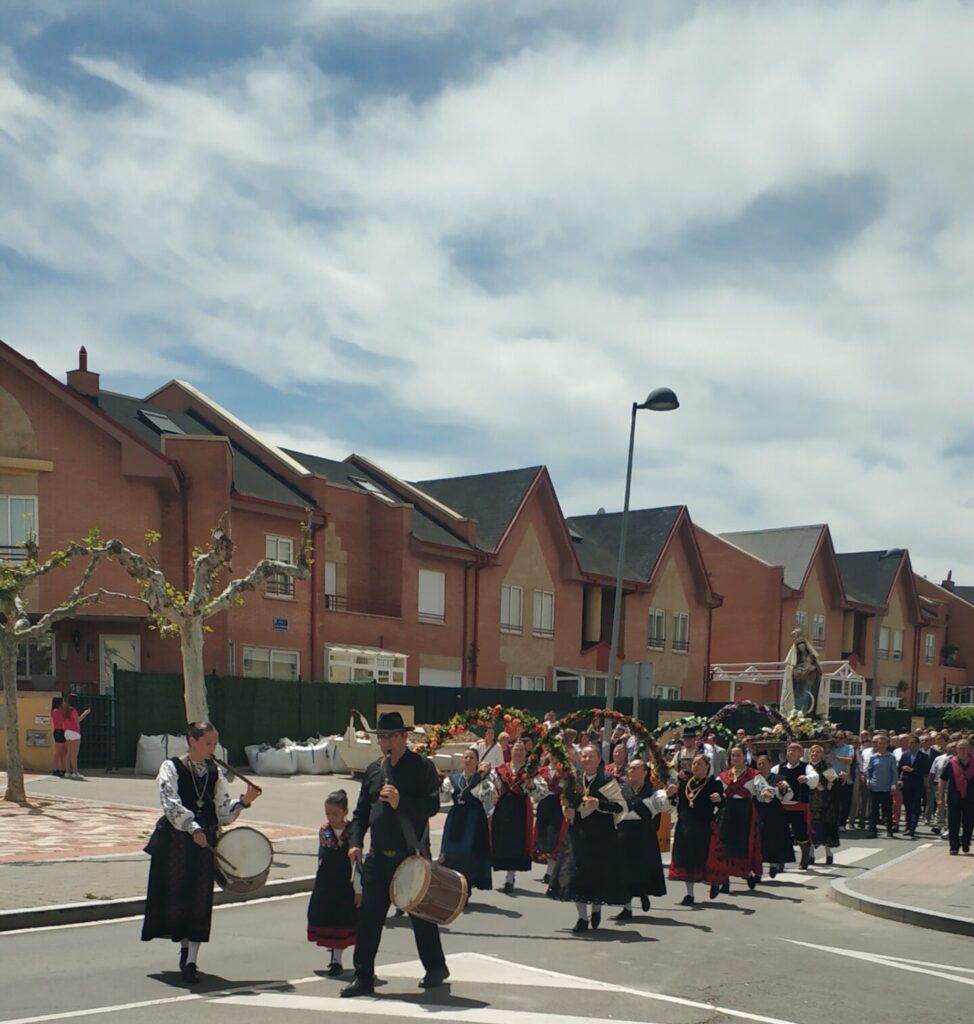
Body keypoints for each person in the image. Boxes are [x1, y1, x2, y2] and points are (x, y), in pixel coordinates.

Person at [141, 721, 261, 983]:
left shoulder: (215, 772)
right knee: (175, 895)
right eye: (208, 743)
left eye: (215, 743)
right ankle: (183, 948)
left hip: (204, 843)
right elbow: (169, 802)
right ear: (191, 741)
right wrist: (192, 827)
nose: (212, 748)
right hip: (176, 841)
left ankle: (191, 959)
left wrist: (243, 802)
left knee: (199, 899)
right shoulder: (170, 767)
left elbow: (221, 814)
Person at [344, 711, 448, 998]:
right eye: (381, 737)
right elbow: (361, 813)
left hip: (409, 854)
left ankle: (436, 967)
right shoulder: (374, 769)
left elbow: (431, 806)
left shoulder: (421, 767)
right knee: (369, 918)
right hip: (379, 856)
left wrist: (401, 802)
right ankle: (363, 976)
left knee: (419, 914)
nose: (384, 742)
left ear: (404, 737)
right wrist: (355, 842)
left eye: (390, 736)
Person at [547, 743, 628, 932]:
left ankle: (596, 908)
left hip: (601, 834)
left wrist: (599, 803)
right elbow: (566, 801)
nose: (586, 760)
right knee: (575, 874)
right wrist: (566, 810)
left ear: (599, 759)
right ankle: (582, 918)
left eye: (590, 756)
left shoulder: (607, 780)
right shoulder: (574, 779)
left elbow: (620, 806)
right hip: (578, 833)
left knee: (596, 874)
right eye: (583, 756)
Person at [308, 789, 361, 975]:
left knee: (342, 923)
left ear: (345, 812)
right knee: (327, 920)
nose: (331, 817)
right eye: (328, 813)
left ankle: (336, 960)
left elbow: (357, 863)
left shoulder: (353, 831)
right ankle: (333, 957)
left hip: (345, 884)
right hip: (326, 883)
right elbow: (322, 858)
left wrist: (358, 889)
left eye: (335, 814)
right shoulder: (324, 831)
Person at [667, 753, 727, 905]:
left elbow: (722, 803)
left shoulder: (713, 783)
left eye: (700, 764)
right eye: (694, 764)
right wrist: (671, 795)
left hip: (703, 825)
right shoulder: (685, 783)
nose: (696, 766)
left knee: (706, 858)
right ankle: (690, 895)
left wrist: (719, 799)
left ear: (707, 767)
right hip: (685, 825)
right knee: (687, 860)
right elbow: (676, 804)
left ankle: (714, 882)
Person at [614, 759, 669, 918]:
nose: (631, 771)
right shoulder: (622, 790)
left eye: (635, 768)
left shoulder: (653, 790)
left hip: (645, 833)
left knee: (642, 868)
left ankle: (643, 893)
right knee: (625, 870)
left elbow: (660, 810)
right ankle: (627, 908)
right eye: (630, 768)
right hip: (625, 833)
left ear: (645, 772)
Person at [439, 749, 494, 897]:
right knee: (451, 852)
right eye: (466, 757)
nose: (468, 760)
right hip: (456, 818)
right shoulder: (453, 779)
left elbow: (488, 799)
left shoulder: (482, 780)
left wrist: (484, 779)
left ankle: (466, 887)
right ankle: (452, 885)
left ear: (476, 761)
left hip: (474, 820)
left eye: (471, 758)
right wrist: (439, 783)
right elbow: (444, 799)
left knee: (469, 853)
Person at [718, 746, 773, 890]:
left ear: (744, 757)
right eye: (733, 755)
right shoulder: (724, 776)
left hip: (745, 813)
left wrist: (766, 792)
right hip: (727, 812)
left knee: (743, 845)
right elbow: (716, 790)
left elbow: (762, 787)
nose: (735, 758)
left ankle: (747, 873)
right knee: (724, 844)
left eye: (738, 755)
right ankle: (725, 879)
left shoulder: (753, 775)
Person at [489, 739, 535, 893]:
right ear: (511, 751)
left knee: (517, 841)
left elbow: (540, 791)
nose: (519, 753)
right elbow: (493, 787)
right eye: (516, 749)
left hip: (520, 808)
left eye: (522, 750)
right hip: (503, 807)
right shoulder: (502, 769)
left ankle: (510, 877)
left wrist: (531, 786)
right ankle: (503, 868)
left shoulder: (530, 771)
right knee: (503, 839)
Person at [771, 742, 819, 868]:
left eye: (794, 751)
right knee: (781, 833)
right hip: (782, 807)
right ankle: (780, 862)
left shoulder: (806, 767)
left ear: (800, 754)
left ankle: (805, 857)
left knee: (801, 833)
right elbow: (769, 779)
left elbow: (815, 778)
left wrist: (807, 778)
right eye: (789, 751)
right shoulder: (778, 768)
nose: (790, 753)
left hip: (798, 806)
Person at [754, 753, 795, 877]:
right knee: (759, 840)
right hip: (759, 812)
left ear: (770, 764)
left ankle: (773, 864)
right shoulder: (754, 778)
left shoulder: (779, 778)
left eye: (764, 763)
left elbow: (788, 795)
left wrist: (782, 789)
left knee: (774, 839)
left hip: (775, 813)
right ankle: (758, 869)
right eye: (759, 763)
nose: (761, 765)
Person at [533, 753, 568, 883]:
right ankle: (550, 869)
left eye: (556, 755)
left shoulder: (564, 771)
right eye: (552, 755)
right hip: (543, 804)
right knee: (543, 837)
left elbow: (567, 788)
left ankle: (550, 871)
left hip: (556, 805)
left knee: (553, 836)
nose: (553, 758)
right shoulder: (541, 771)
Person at [807, 743, 843, 865]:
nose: (814, 754)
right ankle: (811, 853)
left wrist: (841, 778)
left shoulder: (826, 767)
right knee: (810, 827)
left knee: (825, 827)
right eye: (812, 752)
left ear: (822, 755)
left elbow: (835, 782)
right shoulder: (806, 767)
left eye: (817, 752)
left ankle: (828, 853)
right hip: (809, 801)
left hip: (824, 802)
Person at [938, 738, 974, 855]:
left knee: (968, 822)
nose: (962, 751)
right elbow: (943, 781)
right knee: (953, 823)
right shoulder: (951, 763)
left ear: (969, 749)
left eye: (964, 748)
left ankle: (965, 842)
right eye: (959, 748)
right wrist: (940, 798)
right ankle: (954, 846)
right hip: (954, 797)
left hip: (970, 798)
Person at [897, 734, 930, 838]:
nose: (910, 745)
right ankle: (907, 825)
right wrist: (899, 779)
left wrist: (913, 770)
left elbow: (925, 770)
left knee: (915, 806)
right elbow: (899, 768)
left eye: (912, 743)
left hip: (917, 784)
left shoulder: (923, 756)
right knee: (907, 807)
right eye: (909, 743)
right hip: (906, 784)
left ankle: (912, 827)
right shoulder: (905, 755)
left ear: (918, 744)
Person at [866, 733, 898, 839]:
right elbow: (869, 771)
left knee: (887, 810)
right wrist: (868, 780)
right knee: (873, 810)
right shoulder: (873, 757)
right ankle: (873, 830)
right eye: (879, 743)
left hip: (886, 787)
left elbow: (894, 772)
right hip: (875, 787)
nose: (881, 745)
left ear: (887, 744)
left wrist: (893, 785)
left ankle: (889, 830)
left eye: (884, 743)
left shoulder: (891, 757)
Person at [827, 731, 854, 829]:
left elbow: (849, 760)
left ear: (844, 739)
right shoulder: (830, 748)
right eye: (836, 737)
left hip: (844, 779)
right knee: (833, 803)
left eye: (840, 738)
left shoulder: (849, 748)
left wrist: (835, 757)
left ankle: (842, 823)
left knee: (844, 802)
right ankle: (833, 822)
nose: (837, 740)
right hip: (831, 778)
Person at [62, 693, 91, 781]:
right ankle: (75, 772)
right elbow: (77, 720)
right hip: (74, 732)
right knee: (74, 754)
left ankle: (67, 772)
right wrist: (85, 713)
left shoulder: (65, 710)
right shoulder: (73, 711)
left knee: (69, 753)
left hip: (66, 732)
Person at [50, 696, 67, 778]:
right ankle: (55, 768)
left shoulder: (60, 711)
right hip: (58, 731)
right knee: (58, 752)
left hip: (62, 731)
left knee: (63, 752)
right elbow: (60, 721)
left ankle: (63, 769)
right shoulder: (56, 711)